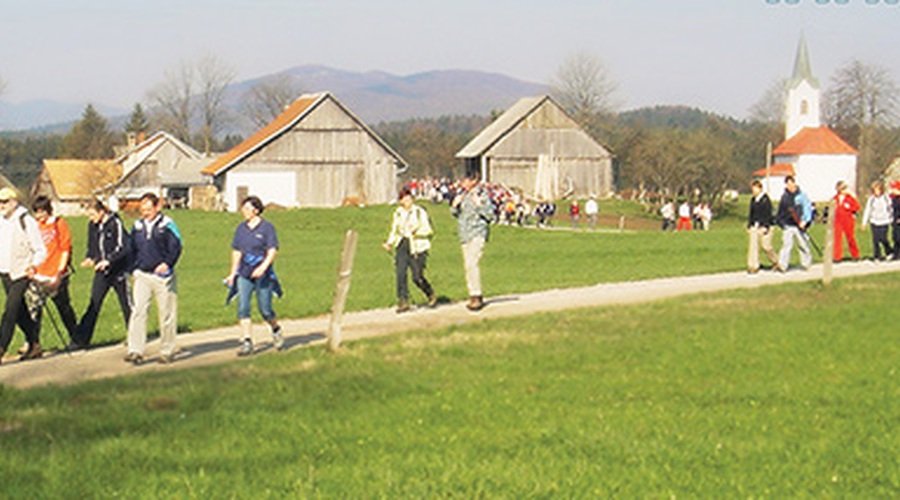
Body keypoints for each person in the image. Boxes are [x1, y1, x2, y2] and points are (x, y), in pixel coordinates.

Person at [124, 193, 182, 365]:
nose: (146, 212)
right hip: (142, 274)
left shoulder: (167, 225)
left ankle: (167, 350)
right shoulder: (137, 226)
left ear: (157, 207)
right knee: (138, 311)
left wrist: (167, 263)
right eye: (143, 209)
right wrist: (133, 269)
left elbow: (176, 247)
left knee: (166, 313)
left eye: (149, 209)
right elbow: (131, 249)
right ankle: (135, 350)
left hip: (162, 277)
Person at [225, 196, 284, 357]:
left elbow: (272, 250)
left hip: (262, 273)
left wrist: (263, 267)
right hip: (244, 272)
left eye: (246, 209)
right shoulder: (241, 229)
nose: (243, 212)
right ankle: (247, 341)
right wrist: (233, 273)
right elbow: (237, 251)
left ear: (256, 211)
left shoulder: (267, 228)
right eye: (242, 209)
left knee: (265, 309)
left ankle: (276, 328)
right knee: (243, 306)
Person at [72, 199, 132, 349]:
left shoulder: (115, 223)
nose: (90, 218)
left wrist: (109, 260)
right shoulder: (93, 225)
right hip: (102, 271)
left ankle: (134, 336)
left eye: (92, 214)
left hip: (119, 270)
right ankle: (81, 340)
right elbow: (92, 246)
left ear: (101, 212)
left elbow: (123, 247)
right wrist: (90, 258)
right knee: (94, 304)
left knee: (126, 304)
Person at [0, 187, 47, 363]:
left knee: (10, 310)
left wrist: (34, 265)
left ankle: (1, 346)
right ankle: (34, 343)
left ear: (15, 202)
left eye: (5, 202)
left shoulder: (26, 221)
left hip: (21, 271)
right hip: (4, 271)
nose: (1, 205)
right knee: (20, 312)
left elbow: (40, 249)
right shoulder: (1, 221)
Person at [30, 195, 78, 348]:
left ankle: (75, 337)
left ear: (48, 210)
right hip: (38, 273)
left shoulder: (59, 224)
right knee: (34, 310)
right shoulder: (35, 226)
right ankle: (33, 342)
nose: (39, 216)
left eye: (41, 212)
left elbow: (65, 249)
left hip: (56, 272)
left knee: (63, 307)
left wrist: (60, 271)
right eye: (36, 212)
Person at [383, 187, 437, 313]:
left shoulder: (419, 212)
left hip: (417, 246)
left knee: (417, 276)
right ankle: (403, 301)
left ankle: (429, 292)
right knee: (400, 273)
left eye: (409, 198)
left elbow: (429, 230)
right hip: (402, 244)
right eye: (404, 199)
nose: (407, 201)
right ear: (401, 201)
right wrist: (389, 243)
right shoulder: (398, 213)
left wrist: (416, 231)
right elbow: (394, 230)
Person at [451, 174, 495, 311]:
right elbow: (456, 214)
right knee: (467, 265)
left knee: (472, 262)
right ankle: (473, 293)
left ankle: (476, 295)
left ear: (473, 181)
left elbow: (490, 215)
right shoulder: (462, 195)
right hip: (464, 234)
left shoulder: (481, 195)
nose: (463, 183)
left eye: (465, 180)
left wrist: (479, 205)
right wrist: (455, 205)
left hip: (478, 232)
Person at [776, 176, 814, 272]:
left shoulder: (801, 196)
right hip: (788, 225)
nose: (790, 186)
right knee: (786, 245)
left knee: (803, 244)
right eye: (787, 184)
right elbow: (781, 211)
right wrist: (781, 222)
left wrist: (805, 221)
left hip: (800, 224)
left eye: (791, 183)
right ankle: (783, 265)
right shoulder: (784, 197)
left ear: (794, 183)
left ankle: (806, 263)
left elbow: (807, 209)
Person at [746, 180, 778, 274]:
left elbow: (768, 214)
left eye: (755, 189)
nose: (754, 191)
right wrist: (749, 225)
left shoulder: (765, 200)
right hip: (755, 226)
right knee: (753, 246)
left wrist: (766, 226)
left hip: (765, 226)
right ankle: (753, 265)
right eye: (752, 189)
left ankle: (775, 261)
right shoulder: (753, 200)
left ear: (760, 189)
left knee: (766, 246)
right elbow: (751, 213)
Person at [861, 180, 893, 261]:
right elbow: (867, 210)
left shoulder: (886, 198)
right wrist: (864, 222)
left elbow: (891, 209)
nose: (876, 192)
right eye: (875, 190)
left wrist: (892, 219)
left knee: (883, 238)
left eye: (878, 190)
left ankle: (889, 251)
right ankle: (877, 255)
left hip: (884, 221)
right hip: (874, 221)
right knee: (875, 239)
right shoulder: (871, 200)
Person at [832, 180, 861, 262]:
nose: (844, 191)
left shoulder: (850, 198)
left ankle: (855, 255)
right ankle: (837, 256)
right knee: (837, 238)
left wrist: (849, 207)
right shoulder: (835, 198)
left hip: (848, 220)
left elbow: (857, 207)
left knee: (850, 237)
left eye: (845, 188)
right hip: (838, 220)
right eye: (842, 189)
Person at [890, 180, 900, 260]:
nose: (892, 190)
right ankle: (896, 254)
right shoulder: (893, 198)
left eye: (894, 189)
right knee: (895, 237)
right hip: (895, 219)